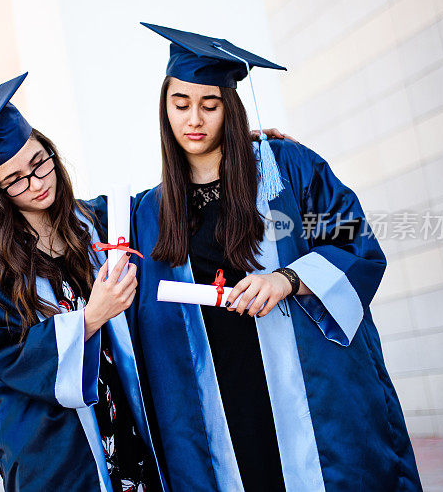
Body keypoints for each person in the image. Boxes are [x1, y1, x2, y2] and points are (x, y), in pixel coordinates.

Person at [128, 24, 422, 491]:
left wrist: (285, 279)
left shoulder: (287, 167)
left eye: (211, 104)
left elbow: (355, 242)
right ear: (165, 110)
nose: (194, 119)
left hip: (304, 381)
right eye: (180, 104)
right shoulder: (150, 210)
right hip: (219, 392)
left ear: (231, 107)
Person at [0, 73, 166, 491]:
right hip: (54, 442)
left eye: (39, 163)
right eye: (16, 179)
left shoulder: (96, 221)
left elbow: (165, 206)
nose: (37, 183)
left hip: (122, 420)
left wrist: (219, 154)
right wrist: (90, 319)